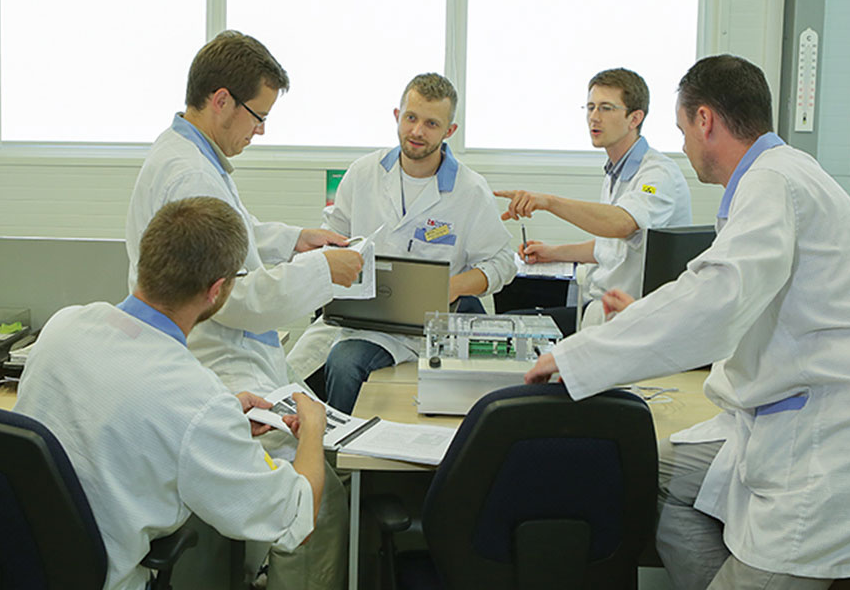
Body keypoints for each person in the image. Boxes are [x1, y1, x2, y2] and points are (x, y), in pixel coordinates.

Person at [525, 55, 850, 589]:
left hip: (836, 444)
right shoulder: (775, 179)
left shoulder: (774, 184)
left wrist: (577, 356)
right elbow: (719, 289)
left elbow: (716, 297)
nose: (683, 145)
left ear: (705, 121)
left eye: (681, 129)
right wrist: (647, 317)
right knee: (655, 474)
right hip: (783, 419)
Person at [124, 30, 355, 590]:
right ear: (221, 99)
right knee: (322, 501)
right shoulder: (191, 173)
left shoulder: (187, 157)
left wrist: (293, 240)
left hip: (223, 364)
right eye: (258, 114)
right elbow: (234, 295)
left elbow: (231, 235)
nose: (261, 130)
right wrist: (326, 273)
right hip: (217, 364)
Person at [15, 197, 328, 590]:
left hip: (13, 563)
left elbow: (125, 412)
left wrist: (222, 419)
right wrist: (313, 428)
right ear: (217, 290)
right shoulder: (195, 399)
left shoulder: (63, 326)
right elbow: (295, 521)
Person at [286, 73, 517, 414]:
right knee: (291, 371)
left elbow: (502, 262)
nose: (417, 131)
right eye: (411, 118)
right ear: (397, 116)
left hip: (434, 324)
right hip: (363, 319)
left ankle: (352, 458)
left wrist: (452, 287)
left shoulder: (470, 190)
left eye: (431, 123)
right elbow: (332, 236)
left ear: (449, 132)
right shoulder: (364, 173)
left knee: (346, 362)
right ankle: (331, 457)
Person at [495, 68, 691, 330]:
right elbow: (612, 245)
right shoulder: (615, 171)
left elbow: (621, 224)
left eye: (606, 108)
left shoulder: (658, 174)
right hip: (600, 304)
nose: (594, 118)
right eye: (590, 107)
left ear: (635, 118)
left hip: (631, 316)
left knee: (514, 327)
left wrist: (548, 202)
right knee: (510, 306)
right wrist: (552, 253)